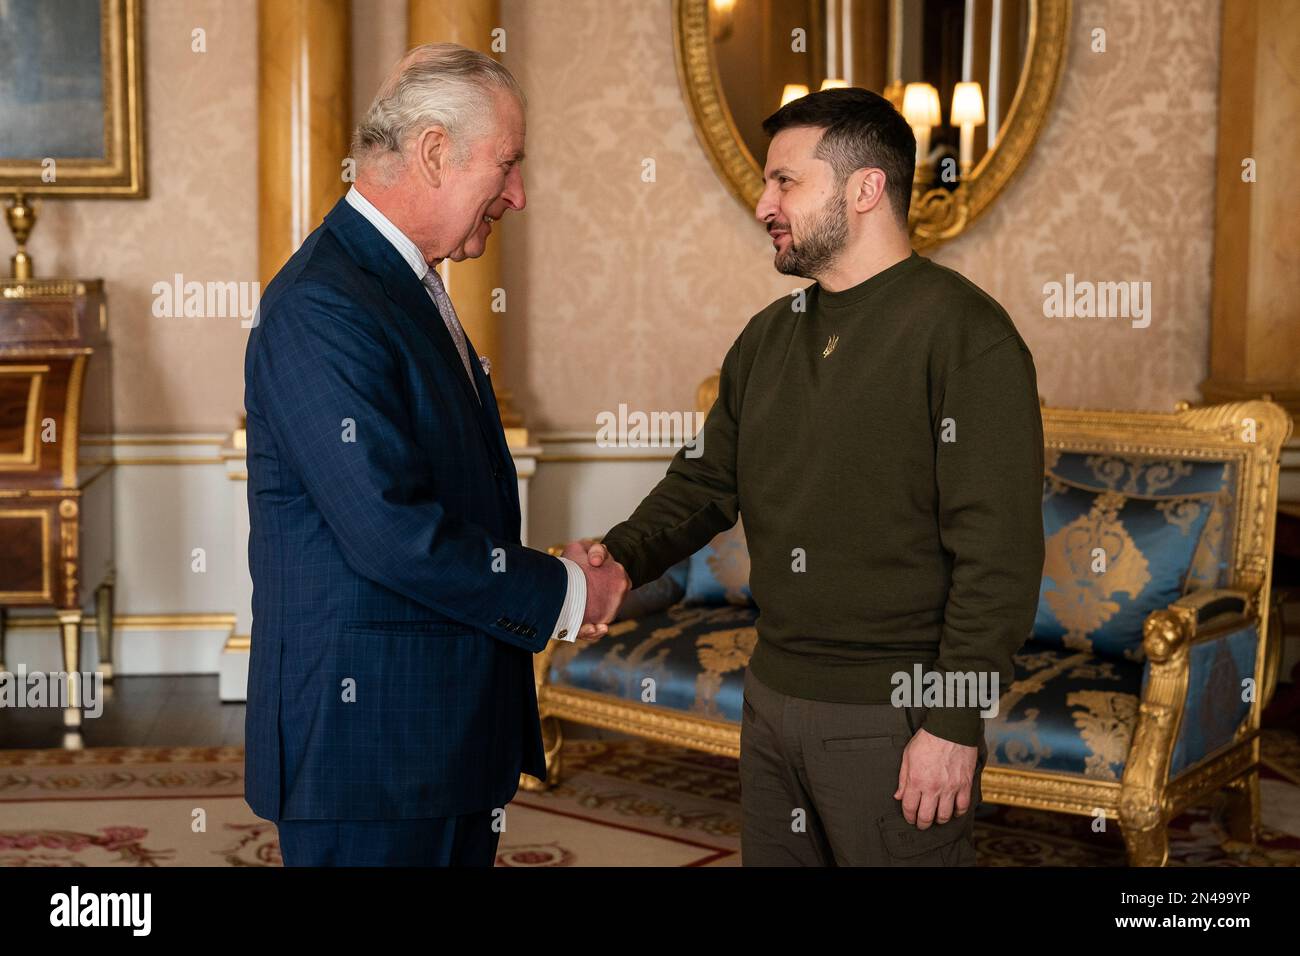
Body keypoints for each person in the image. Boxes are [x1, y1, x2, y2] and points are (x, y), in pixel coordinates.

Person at [575, 87, 1044, 866]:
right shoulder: (769, 336)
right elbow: (703, 484)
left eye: (785, 181)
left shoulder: (966, 335)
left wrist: (954, 724)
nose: (763, 204)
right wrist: (618, 560)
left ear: (865, 189)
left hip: (897, 718)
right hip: (771, 701)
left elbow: (998, 557)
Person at [243, 43, 629, 867]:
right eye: (508, 164)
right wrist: (563, 588)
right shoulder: (323, 302)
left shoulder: (404, 284)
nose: (518, 194)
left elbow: (451, 496)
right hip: (368, 755)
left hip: (437, 740)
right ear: (432, 151)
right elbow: (390, 532)